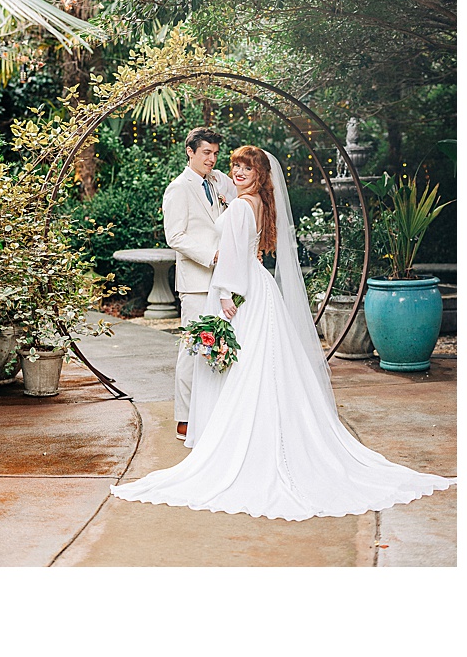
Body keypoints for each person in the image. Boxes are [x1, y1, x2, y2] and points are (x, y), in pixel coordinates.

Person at [111, 146, 454, 520]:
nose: (238, 173)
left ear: (260, 173)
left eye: (246, 168)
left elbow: (236, 256)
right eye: (236, 167)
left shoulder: (243, 206)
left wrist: (226, 293)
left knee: (244, 365)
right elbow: (247, 248)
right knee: (260, 364)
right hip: (257, 287)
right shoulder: (256, 202)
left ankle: (245, 441)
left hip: (239, 290)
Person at [162, 127, 236, 440]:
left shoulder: (220, 181)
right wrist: (212, 255)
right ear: (190, 152)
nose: (212, 158)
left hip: (225, 282)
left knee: (222, 347)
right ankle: (185, 418)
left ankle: (214, 412)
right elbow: (174, 236)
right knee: (192, 349)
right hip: (196, 281)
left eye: (215, 153)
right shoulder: (178, 188)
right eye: (206, 152)